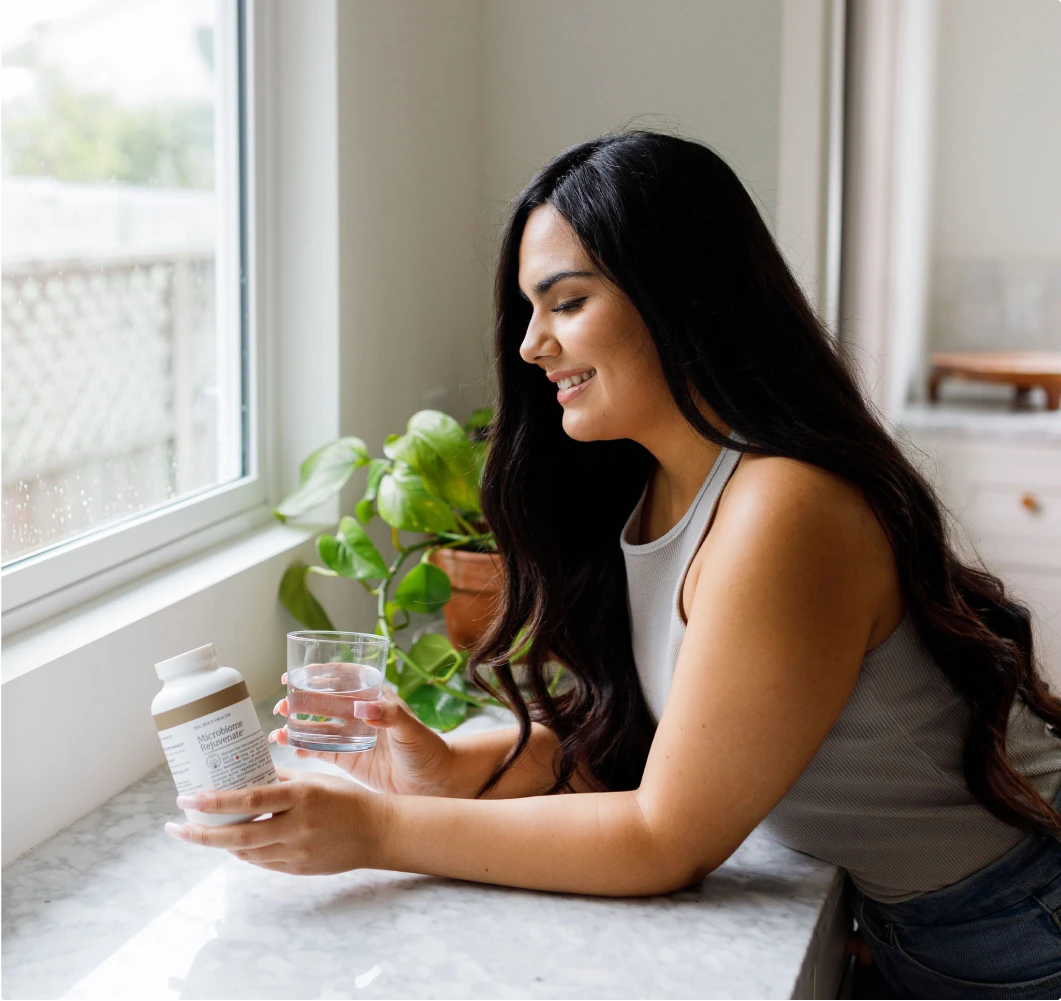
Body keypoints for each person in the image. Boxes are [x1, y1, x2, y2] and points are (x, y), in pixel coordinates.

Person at [164, 132, 1061, 999]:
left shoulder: (783, 508)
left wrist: (379, 830)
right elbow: (642, 743)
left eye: (565, 301)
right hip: (941, 927)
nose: (529, 344)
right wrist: (450, 768)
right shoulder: (663, 491)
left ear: (680, 294)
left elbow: (662, 836)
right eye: (528, 308)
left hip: (1023, 925)